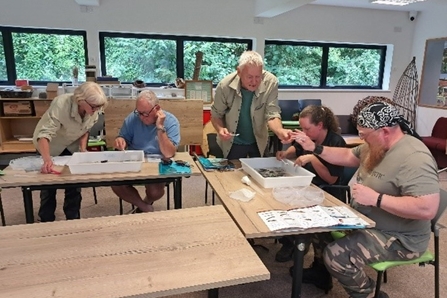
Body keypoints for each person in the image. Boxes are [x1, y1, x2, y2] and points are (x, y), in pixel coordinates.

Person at [291, 101, 439, 298]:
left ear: (385, 131)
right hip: (366, 220)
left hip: (400, 238)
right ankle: (321, 273)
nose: (362, 139)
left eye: (364, 135)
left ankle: (369, 294)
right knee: (318, 224)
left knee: (336, 256)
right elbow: (347, 155)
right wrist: (314, 148)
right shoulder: (375, 145)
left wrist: (377, 199)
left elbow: (427, 208)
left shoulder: (414, 157)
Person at [274, 105, 346, 263]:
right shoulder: (309, 137)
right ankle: (291, 243)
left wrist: (313, 158)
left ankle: (313, 257)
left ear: (320, 125)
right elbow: (297, 146)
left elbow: (331, 180)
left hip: (327, 193)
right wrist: (286, 153)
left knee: (297, 209)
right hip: (307, 186)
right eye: (302, 129)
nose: (304, 133)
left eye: (307, 128)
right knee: (280, 202)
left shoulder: (335, 142)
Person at [33, 81, 108, 222]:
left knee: (74, 185)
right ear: (80, 100)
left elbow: (86, 129)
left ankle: (73, 218)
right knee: (49, 185)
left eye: (99, 107)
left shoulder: (93, 108)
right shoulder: (61, 104)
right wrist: (47, 159)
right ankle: (46, 220)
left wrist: (83, 149)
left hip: (71, 146)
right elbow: (44, 134)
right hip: (50, 146)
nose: (96, 109)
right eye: (94, 106)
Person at [211, 50, 292, 159]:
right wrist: (220, 129)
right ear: (239, 72)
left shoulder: (271, 83)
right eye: (249, 77)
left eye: (258, 77)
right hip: (233, 142)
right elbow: (216, 115)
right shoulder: (224, 86)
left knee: (259, 172)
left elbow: (272, 113)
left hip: (258, 140)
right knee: (233, 173)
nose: (254, 82)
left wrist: (280, 131)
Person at [112, 90, 180, 212]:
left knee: (155, 192)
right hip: (135, 161)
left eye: (145, 114)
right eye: (139, 113)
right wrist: (120, 140)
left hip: (158, 164)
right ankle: (144, 207)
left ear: (157, 108)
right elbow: (123, 137)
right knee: (115, 184)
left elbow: (169, 153)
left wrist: (160, 127)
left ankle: (145, 203)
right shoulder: (133, 118)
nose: (142, 117)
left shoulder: (171, 121)